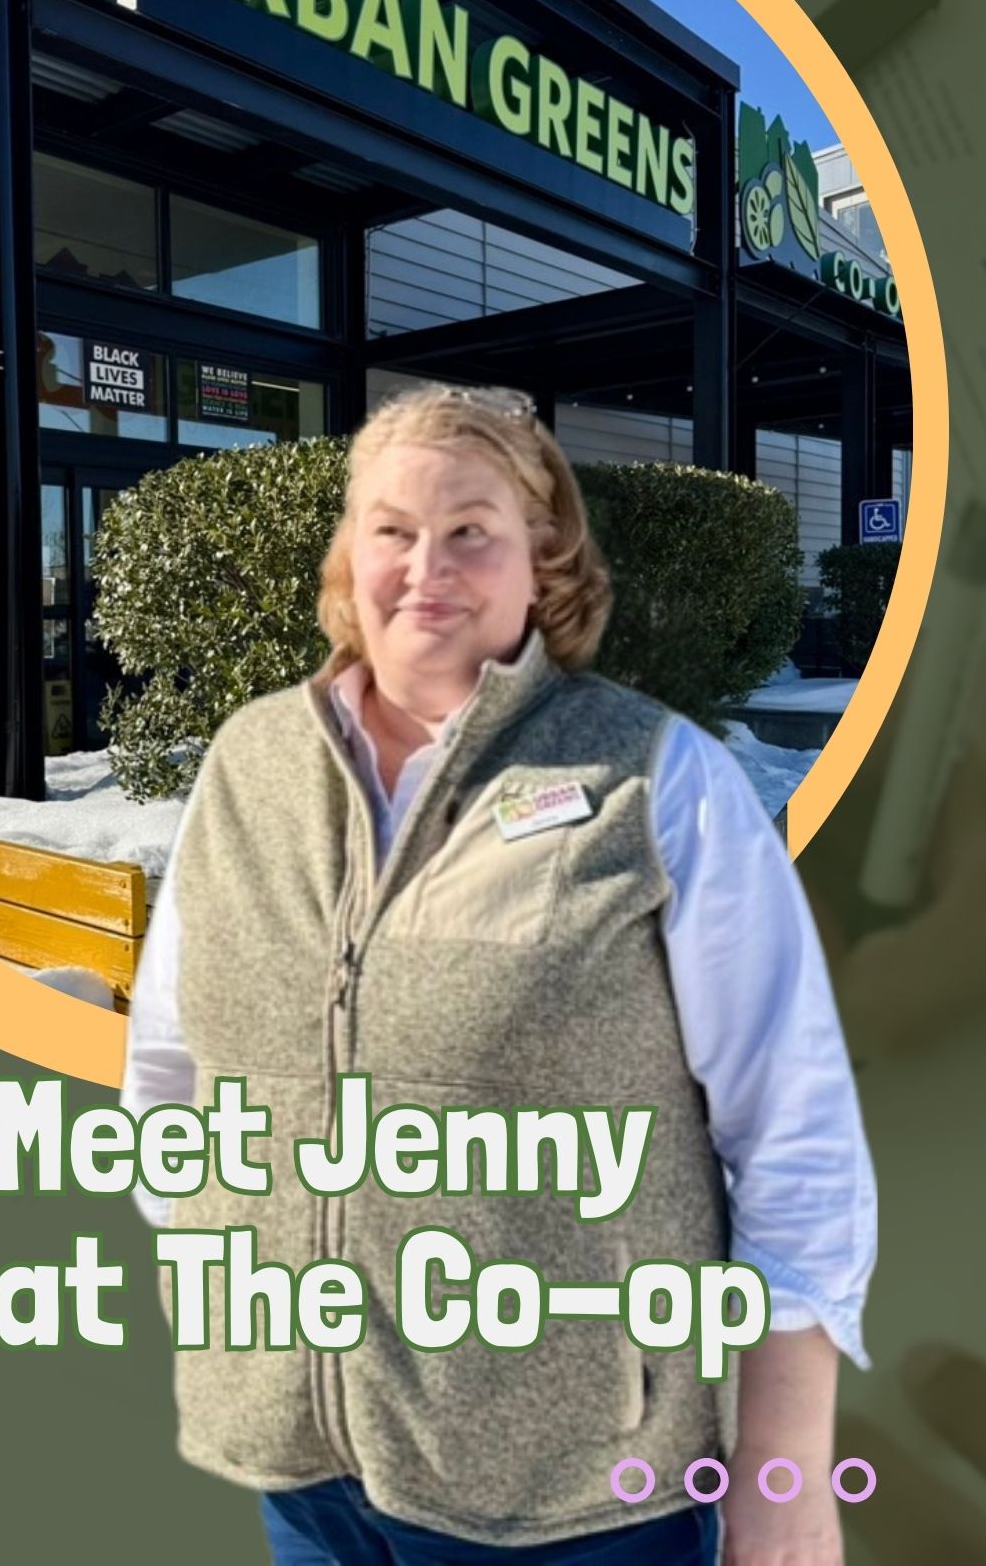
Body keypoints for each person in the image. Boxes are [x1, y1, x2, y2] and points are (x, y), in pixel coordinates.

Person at [122, 383, 874, 1566]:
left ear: (544, 561)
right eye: (391, 528)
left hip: (577, 1500)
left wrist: (784, 1472)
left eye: (471, 528)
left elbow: (795, 1129)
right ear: (347, 557)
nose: (427, 565)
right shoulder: (249, 767)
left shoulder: (653, 781)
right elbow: (170, 1062)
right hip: (302, 1470)